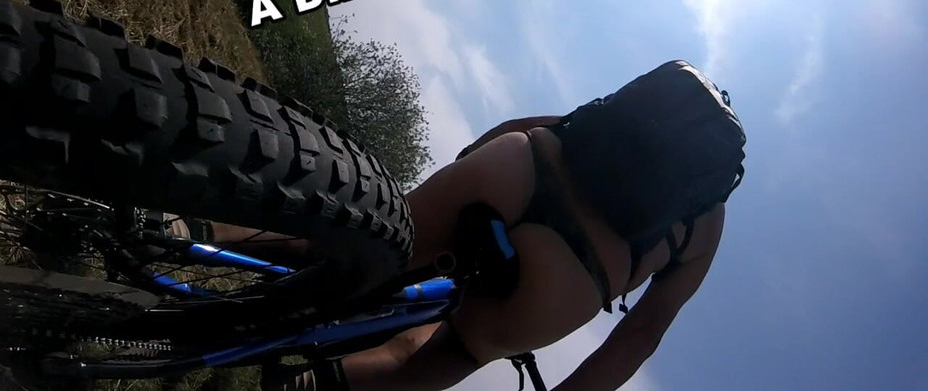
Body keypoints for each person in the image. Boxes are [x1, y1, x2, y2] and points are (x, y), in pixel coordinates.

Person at [191, 61, 744, 391]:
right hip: (571, 275)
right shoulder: (706, 221)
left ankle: (181, 233)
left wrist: (463, 170)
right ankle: (307, 384)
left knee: (352, 242)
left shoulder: (628, 115)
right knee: (435, 356)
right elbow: (640, 336)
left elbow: (530, 125)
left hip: (513, 170)